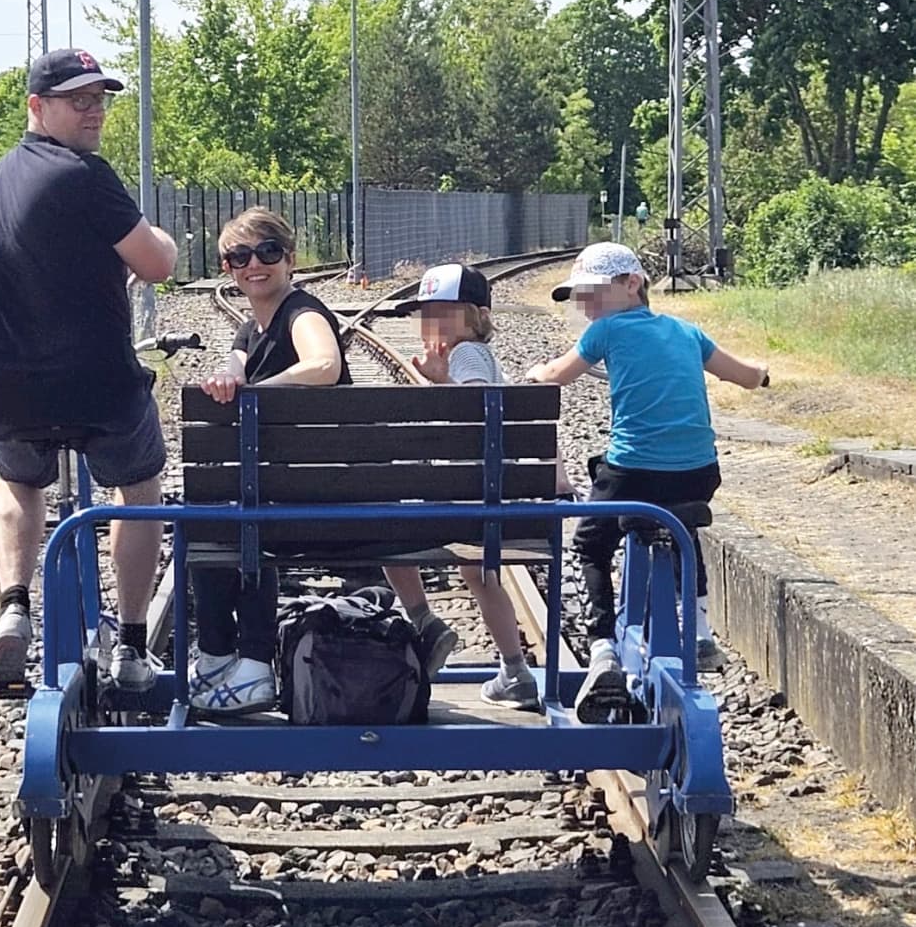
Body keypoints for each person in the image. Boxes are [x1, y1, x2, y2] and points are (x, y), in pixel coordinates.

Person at [0, 48, 178, 695]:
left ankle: (15, 605)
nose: (94, 111)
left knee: (18, 481)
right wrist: (164, 239)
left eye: (100, 98)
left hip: (5, 384)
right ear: (37, 107)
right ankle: (131, 647)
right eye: (79, 99)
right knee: (139, 489)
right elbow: (156, 263)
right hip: (96, 387)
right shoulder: (86, 176)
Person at [525, 242, 767, 721]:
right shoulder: (687, 331)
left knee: (591, 544)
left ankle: (602, 651)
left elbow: (557, 376)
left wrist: (535, 373)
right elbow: (743, 376)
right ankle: (699, 634)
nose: (586, 305)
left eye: (593, 293)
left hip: (634, 473)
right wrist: (763, 375)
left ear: (632, 283)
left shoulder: (606, 331)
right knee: (684, 531)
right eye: (580, 297)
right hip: (699, 473)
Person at [387, 263, 574, 710]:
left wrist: (440, 381)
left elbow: (478, 407)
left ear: (476, 316)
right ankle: (514, 670)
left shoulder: (468, 355)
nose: (433, 323)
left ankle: (424, 621)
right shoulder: (471, 354)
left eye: (445, 313)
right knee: (480, 575)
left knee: (382, 531)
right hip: (483, 500)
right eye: (426, 313)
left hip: (468, 500)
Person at [190, 206, 351, 715]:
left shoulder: (301, 312)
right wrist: (227, 380)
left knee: (235, 520)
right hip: (292, 489)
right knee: (215, 515)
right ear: (227, 268)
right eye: (239, 256)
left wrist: (258, 392)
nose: (253, 264)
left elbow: (325, 366)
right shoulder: (250, 330)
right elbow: (232, 367)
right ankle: (220, 657)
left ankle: (250, 662)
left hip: (319, 494)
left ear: (290, 259)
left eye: (267, 252)